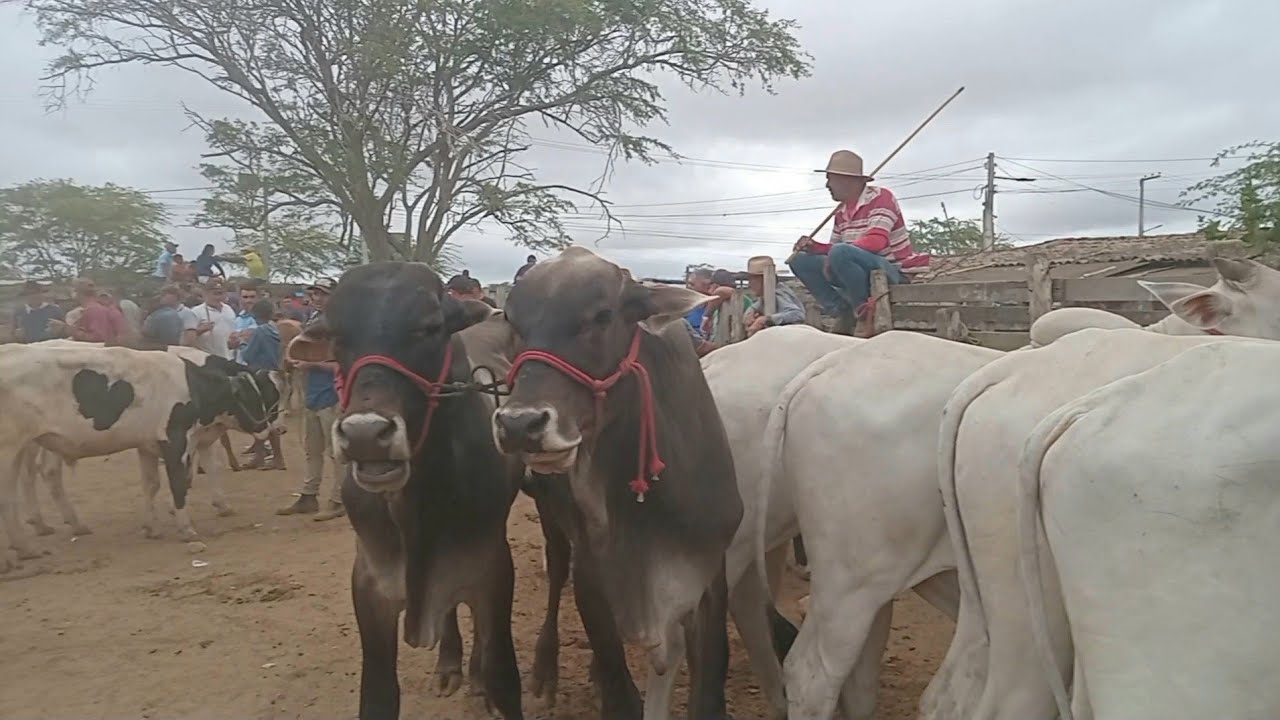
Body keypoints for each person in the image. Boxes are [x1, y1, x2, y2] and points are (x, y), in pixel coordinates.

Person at [788, 149, 927, 335]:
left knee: (840, 252)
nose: (827, 185)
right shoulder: (840, 212)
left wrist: (828, 251)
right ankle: (841, 310)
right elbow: (832, 252)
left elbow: (876, 242)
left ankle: (862, 310)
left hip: (891, 270)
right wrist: (814, 248)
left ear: (846, 180)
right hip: (856, 268)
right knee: (799, 260)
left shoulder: (880, 197)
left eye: (830, 179)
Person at [277, 277, 346, 521]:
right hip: (314, 395)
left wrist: (310, 365)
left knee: (336, 452)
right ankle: (309, 494)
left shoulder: (340, 327)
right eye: (315, 293)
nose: (317, 298)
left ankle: (339, 499)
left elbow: (342, 366)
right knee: (312, 450)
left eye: (323, 294)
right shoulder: (314, 321)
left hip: (332, 395)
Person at [239, 298, 287, 471]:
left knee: (263, 418)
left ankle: (276, 458)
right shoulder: (275, 329)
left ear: (254, 314)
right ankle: (261, 456)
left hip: (261, 376)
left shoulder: (260, 331)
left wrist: (242, 342)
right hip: (275, 375)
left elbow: (248, 355)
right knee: (267, 417)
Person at [742, 255, 805, 337]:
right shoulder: (765, 297)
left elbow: (798, 314)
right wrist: (749, 314)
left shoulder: (779, 294)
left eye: (753, 279)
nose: (750, 283)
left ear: (763, 279)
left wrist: (765, 320)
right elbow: (755, 306)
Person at [181, 278, 237, 359]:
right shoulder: (195, 312)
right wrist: (200, 330)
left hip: (229, 357)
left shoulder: (228, 309)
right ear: (205, 294)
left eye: (221, 293)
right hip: (207, 359)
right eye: (215, 294)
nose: (218, 297)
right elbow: (185, 340)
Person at [53, 286, 126, 343]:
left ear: (78, 293)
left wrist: (70, 331)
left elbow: (98, 338)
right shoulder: (91, 310)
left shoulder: (95, 310)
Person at [228, 281, 262, 363]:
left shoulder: (264, 318)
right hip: (240, 363)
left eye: (252, 297)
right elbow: (231, 345)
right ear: (240, 298)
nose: (249, 300)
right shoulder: (237, 319)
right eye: (245, 297)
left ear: (258, 298)